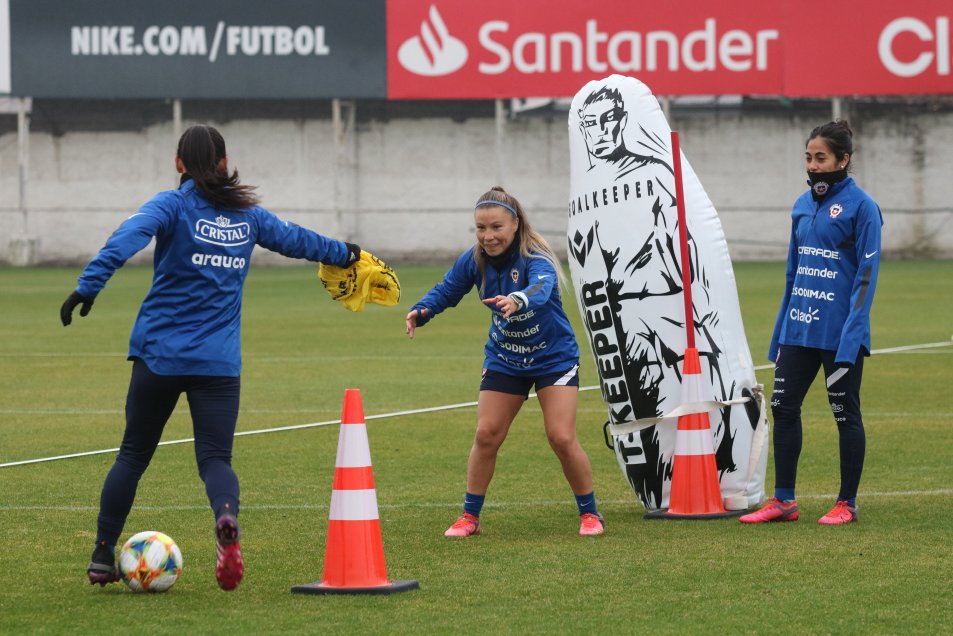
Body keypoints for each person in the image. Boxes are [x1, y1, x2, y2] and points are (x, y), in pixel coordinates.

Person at [61, 124, 362, 590]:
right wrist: (349, 253)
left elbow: (126, 238)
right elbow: (299, 239)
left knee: (133, 455)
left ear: (178, 163)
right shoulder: (249, 216)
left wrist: (88, 285)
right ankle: (226, 518)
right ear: (224, 163)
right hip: (217, 364)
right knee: (216, 459)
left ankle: (102, 555)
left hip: (159, 356)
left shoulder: (171, 204)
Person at [405, 186, 604, 537]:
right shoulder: (474, 258)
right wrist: (423, 310)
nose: (488, 236)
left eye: (496, 227)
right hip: (506, 357)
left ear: (515, 224)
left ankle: (590, 514)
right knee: (486, 434)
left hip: (552, 358)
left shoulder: (536, 256)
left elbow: (541, 288)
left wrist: (517, 300)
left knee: (560, 437)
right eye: (481, 228)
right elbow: (449, 289)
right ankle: (470, 518)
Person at [741, 120, 883, 526]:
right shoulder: (802, 205)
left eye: (821, 158)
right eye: (808, 158)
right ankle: (784, 500)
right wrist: (779, 334)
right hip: (798, 329)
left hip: (840, 335)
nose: (814, 165)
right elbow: (793, 273)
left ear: (844, 160)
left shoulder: (863, 208)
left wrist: (852, 335)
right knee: (783, 408)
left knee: (845, 415)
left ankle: (847, 504)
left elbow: (866, 278)